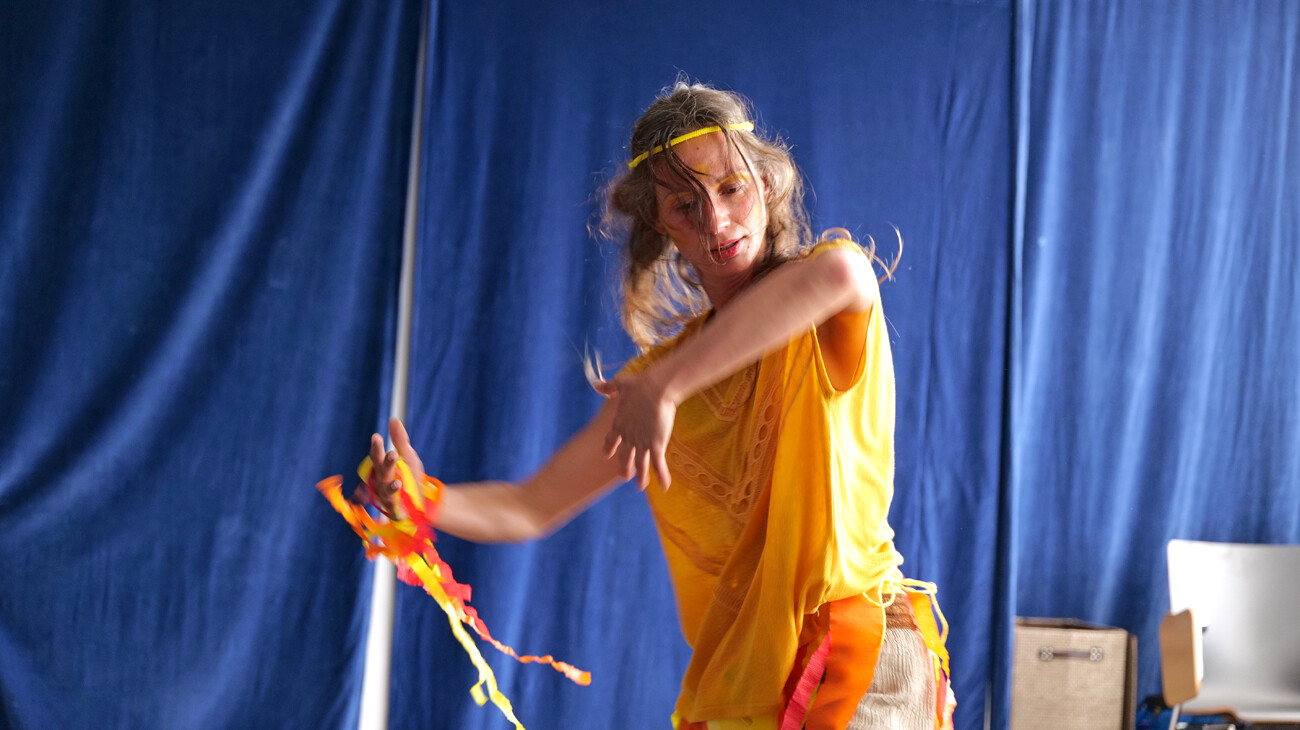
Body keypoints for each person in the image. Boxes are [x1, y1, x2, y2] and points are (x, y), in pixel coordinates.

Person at [366, 81, 953, 730]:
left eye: (731, 187)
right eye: (685, 204)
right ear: (659, 222)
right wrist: (423, 499)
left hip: (858, 662)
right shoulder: (650, 389)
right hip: (744, 683)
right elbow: (530, 506)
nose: (716, 221)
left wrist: (667, 385)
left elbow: (843, 277)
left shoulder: (818, 301)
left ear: (766, 184)